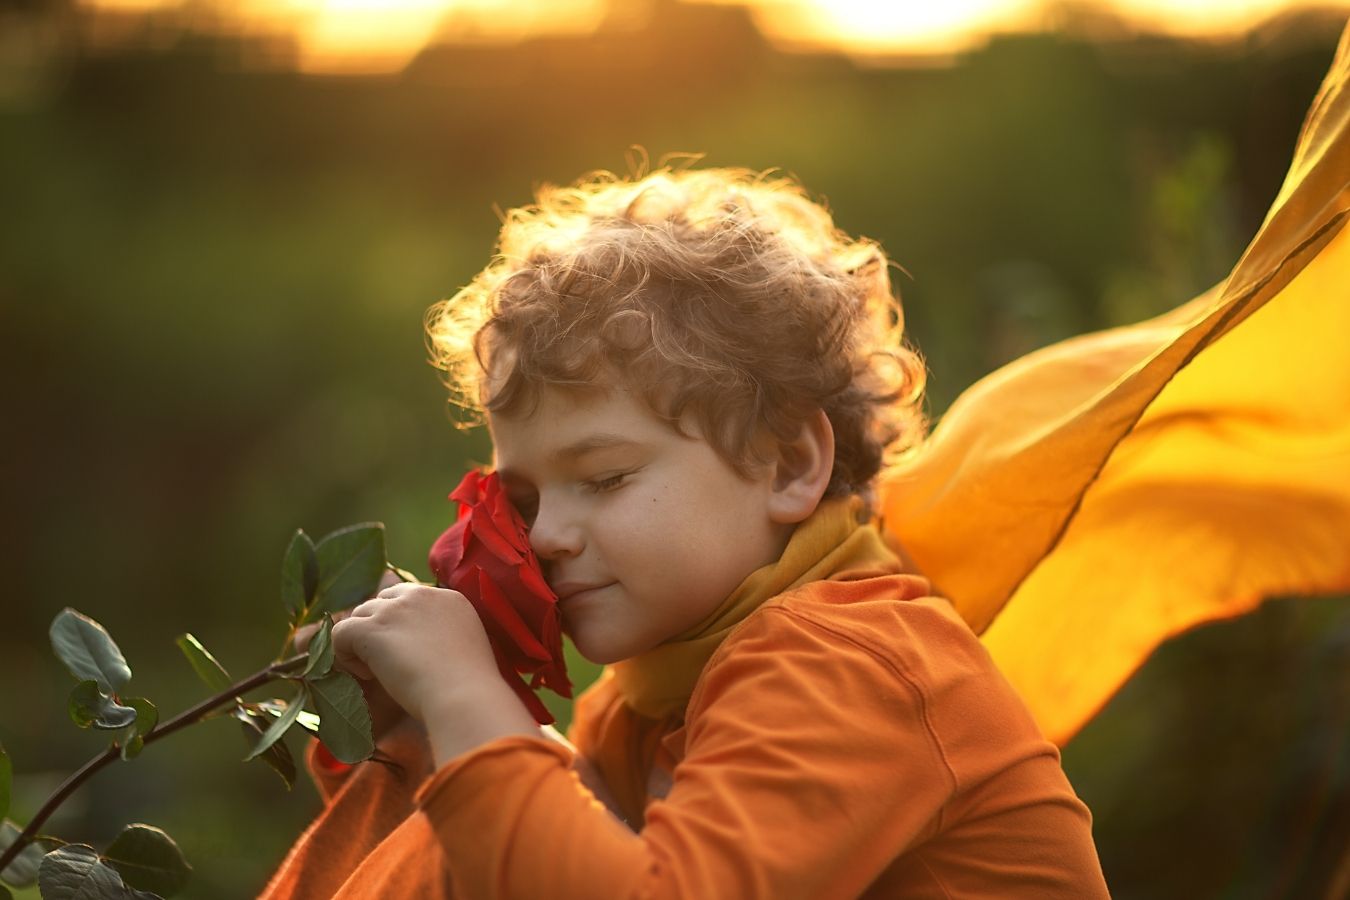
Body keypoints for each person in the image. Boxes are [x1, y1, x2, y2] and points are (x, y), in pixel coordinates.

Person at [260, 166, 1111, 898]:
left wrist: (461, 693)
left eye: (605, 478)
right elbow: (563, 856)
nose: (546, 534)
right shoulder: (653, 692)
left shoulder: (849, 663)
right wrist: (419, 733)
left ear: (788, 465)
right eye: (522, 499)